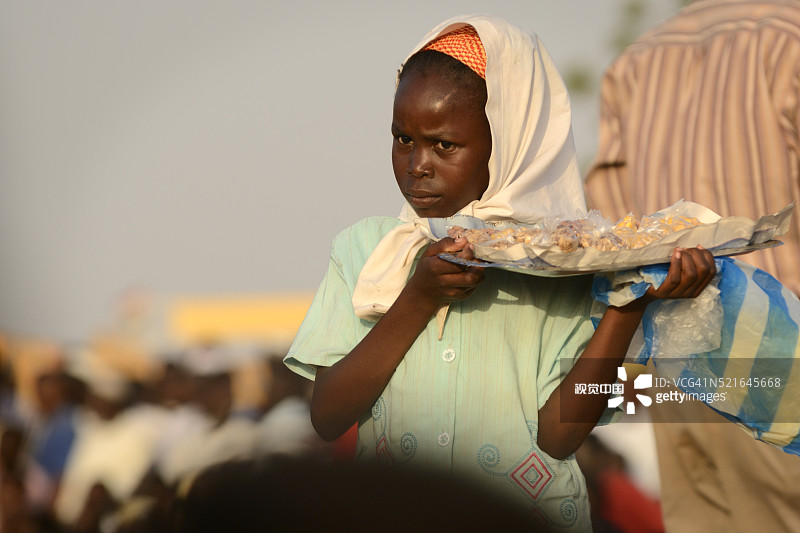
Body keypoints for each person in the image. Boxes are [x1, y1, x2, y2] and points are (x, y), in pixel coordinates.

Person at [285, 15, 716, 530]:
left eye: (444, 145)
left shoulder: (568, 260)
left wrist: (630, 306)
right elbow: (329, 416)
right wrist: (417, 299)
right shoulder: (364, 251)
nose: (417, 164)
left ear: (507, 141)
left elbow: (558, 436)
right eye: (403, 139)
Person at [584, 1, 800, 531]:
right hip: (780, 354)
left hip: (677, 369)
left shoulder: (637, 61)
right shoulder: (790, 39)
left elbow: (613, 234)